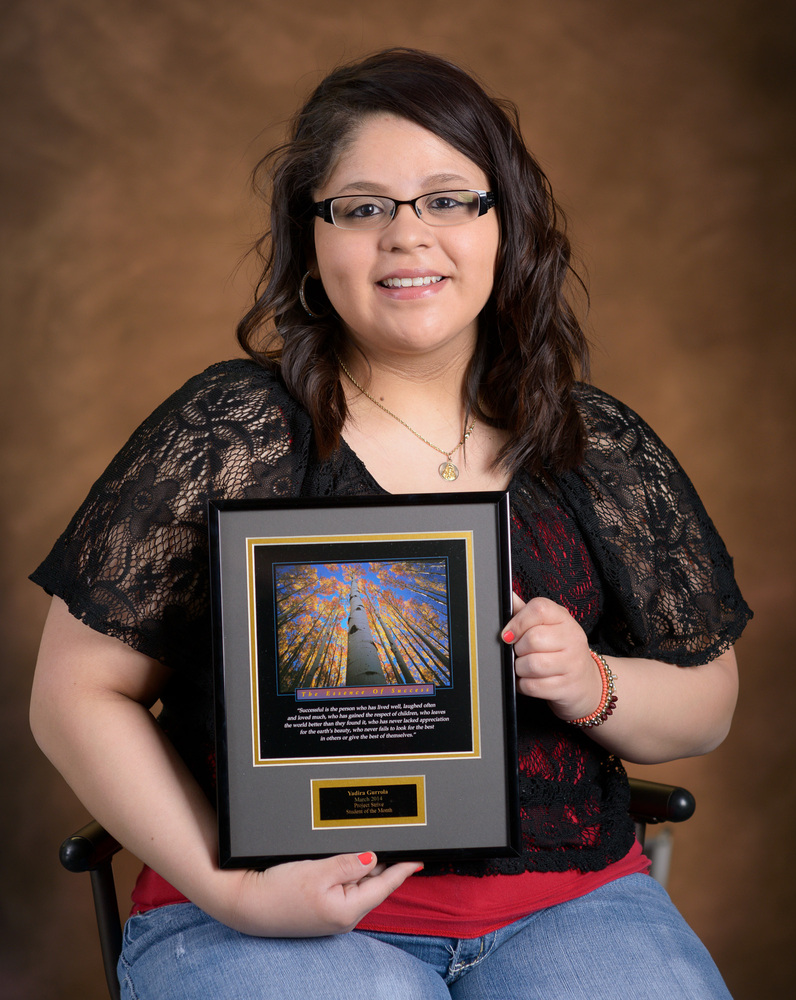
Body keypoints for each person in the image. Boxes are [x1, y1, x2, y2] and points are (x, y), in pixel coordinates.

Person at [30, 48, 751, 999]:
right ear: (313, 238)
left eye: (449, 199)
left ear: (507, 226)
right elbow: (76, 694)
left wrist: (593, 683)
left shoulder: (595, 444)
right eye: (365, 207)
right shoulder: (226, 433)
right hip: (261, 913)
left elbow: (710, 700)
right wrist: (232, 892)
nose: (408, 237)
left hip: (569, 907)